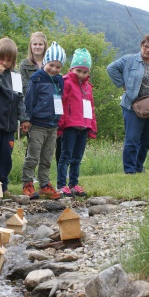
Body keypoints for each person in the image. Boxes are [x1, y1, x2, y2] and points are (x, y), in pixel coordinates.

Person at [0, 37, 30, 194]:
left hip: (9, 126)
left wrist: (24, 118)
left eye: (9, 60)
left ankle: (3, 186)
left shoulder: (15, 77)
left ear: (13, 61)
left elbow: (20, 99)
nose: (4, 63)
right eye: (1, 59)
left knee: (5, 157)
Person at [107, 34, 149, 174]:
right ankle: (130, 170)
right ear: (141, 45)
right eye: (145, 46)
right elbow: (111, 68)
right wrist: (122, 84)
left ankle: (138, 166)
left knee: (146, 141)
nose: (147, 50)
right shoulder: (129, 59)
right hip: (133, 106)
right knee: (132, 140)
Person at [22, 41, 66, 200]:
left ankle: (44, 184)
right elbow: (29, 100)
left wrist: (59, 120)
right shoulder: (37, 79)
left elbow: (60, 100)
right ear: (45, 62)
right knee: (33, 156)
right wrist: (26, 119)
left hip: (52, 126)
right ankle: (27, 183)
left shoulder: (60, 81)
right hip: (38, 125)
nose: (54, 69)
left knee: (47, 157)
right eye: (51, 65)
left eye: (58, 66)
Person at [57, 48, 97, 197]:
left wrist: (92, 126)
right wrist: (60, 125)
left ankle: (74, 184)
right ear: (72, 68)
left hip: (84, 126)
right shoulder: (66, 82)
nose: (81, 74)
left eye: (85, 72)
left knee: (77, 158)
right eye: (78, 70)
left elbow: (91, 108)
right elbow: (62, 103)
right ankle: (61, 184)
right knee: (65, 156)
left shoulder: (88, 87)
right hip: (70, 126)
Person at [19, 31, 47, 96]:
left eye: (40, 44)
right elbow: (23, 88)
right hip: (30, 102)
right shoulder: (24, 65)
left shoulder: (50, 64)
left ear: (44, 46)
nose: (37, 47)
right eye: (35, 44)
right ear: (31, 46)